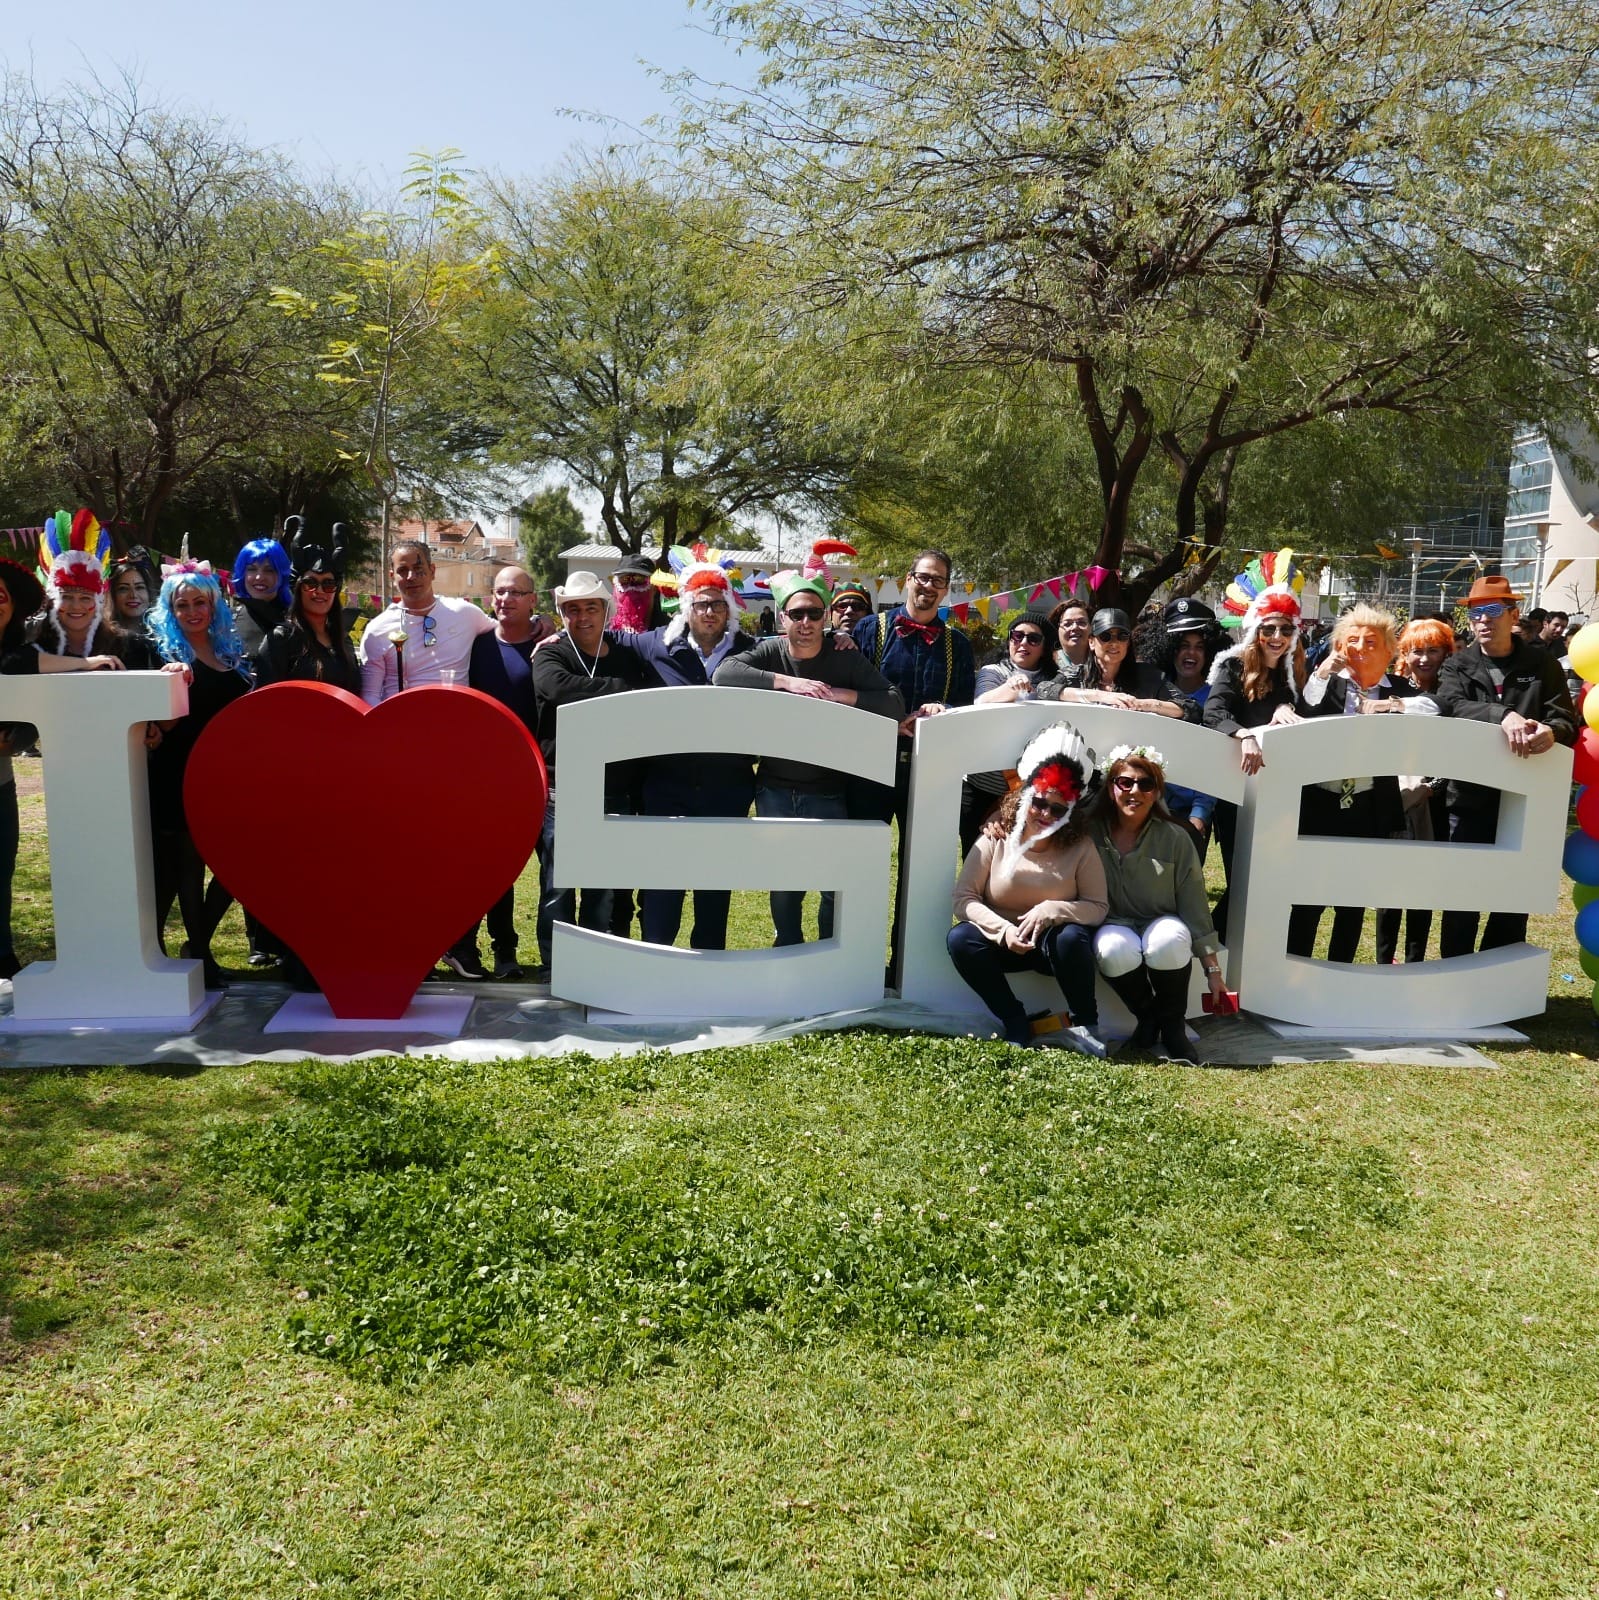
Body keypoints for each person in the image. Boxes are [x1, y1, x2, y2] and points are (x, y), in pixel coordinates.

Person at [716, 570, 905, 946]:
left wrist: (838, 694)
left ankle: (827, 952)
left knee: (834, 882)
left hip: (829, 788)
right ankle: (787, 948)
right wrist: (788, 683)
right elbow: (724, 674)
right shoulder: (771, 652)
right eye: (797, 614)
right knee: (785, 881)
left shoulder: (843, 656)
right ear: (782, 617)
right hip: (774, 788)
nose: (806, 622)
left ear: (826, 617)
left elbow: (894, 704)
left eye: (814, 613)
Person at [1436, 574, 1576, 956]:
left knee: (1514, 896)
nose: (1482, 620)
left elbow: (1565, 717)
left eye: (1492, 610)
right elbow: (1449, 706)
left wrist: (1552, 731)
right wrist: (1502, 715)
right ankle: (1454, 971)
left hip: (1525, 798)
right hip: (1469, 798)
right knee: (1462, 895)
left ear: (1513, 616)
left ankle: (1501, 973)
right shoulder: (1457, 665)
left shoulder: (1541, 663)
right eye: (1475, 613)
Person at [948, 722, 1108, 1053]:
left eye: (1058, 809)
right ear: (1024, 799)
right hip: (1002, 942)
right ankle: (1015, 1020)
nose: (1045, 813)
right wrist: (1003, 930)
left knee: (1071, 936)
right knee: (961, 938)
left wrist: (1053, 910)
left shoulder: (1081, 846)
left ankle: (1087, 1025)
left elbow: (1097, 907)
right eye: (1038, 803)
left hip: (1053, 947)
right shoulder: (996, 837)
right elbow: (964, 899)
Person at [1290, 603, 1436, 963]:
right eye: (1352, 640)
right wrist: (1322, 672)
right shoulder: (1328, 683)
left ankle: (1341, 971)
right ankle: (1295, 969)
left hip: (1370, 804)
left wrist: (1392, 706)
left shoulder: (1398, 688)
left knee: (1352, 902)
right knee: (1307, 897)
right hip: (1321, 803)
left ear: (1389, 651)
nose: (1360, 648)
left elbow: (1436, 707)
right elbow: (1305, 709)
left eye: (1371, 642)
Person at [851, 548, 974, 975]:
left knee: (920, 871)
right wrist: (891, 720)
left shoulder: (958, 645)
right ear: (908, 579)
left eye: (938, 580)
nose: (928, 586)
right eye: (923, 577)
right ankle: (858, 961)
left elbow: (965, 706)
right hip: (871, 767)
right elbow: (852, 692)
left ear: (946, 588)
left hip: (929, 772)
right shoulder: (871, 629)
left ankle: (905, 965)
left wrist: (944, 710)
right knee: (862, 862)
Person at [629, 561, 758, 952]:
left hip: (727, 788)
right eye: (701, 604)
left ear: (729, 607)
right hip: (667, 786)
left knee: (714, 886)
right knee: (662, 884)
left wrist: (842, 638)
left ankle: (708, 965)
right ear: (687, 607)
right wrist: (551, 633)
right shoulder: (657, 644)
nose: (709, 612)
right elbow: (608, 640)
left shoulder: (751, 650)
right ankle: (657, 958)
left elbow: (796, 653)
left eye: (717, 604)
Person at [437, 565, 558, 982]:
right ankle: (499, 950)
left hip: (541, 775)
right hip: (487, 776)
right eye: (501, 592)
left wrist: (548, 626)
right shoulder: (476, 644)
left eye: (517, 592)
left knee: (552, 871)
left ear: (533, 600)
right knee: (494, 868)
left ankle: (554, 956)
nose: (507, 599)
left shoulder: (549, 646)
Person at [531, 572, 647, 966]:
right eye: (573, 609)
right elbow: (558, 689)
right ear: (562, 614)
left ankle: (594, 965)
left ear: (606, 611)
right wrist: (624, 692)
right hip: (563, 788)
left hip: (614, 786)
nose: (582, 617)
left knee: (603, 888)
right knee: (558, 886)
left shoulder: (627, 655)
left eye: (591, 608)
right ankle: (556, 967)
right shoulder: (550, 654)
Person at [146, 563, 253, 988]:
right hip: (179, 771)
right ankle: (202, 957)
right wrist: (171, 681)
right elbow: (162, 724)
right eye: (182, 605)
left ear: (214, 604)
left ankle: (197, 944)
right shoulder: (164, 654)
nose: (192, 612)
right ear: (170, 610)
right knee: (189, 868)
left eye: (200, 602)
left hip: (227, 773)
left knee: (236, 868)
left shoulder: (229, 650)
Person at [1088, 743, 1228, 1063]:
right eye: (1125, 782)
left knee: (1168, 940)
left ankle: (1174, 1026)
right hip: (1114, 923)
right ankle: (1148, 1017)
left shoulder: (1175, 837)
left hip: (1161, 921)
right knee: (1111, 948)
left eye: (1145, 784)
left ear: (1157, 791)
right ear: (1111, 788)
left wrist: (1213, 971)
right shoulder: (1090, 833)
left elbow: (1194, 903)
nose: (1135, 791)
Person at [1202, 581, 1307, 941]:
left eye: (1286, 630)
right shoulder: (1233, 666)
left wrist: (1285, 706)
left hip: (1277, 793)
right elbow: (1213, 712)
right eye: (1270, 629)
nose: (1278, 637)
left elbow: (1303, 712)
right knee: (1242, 880)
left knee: (1266, 879)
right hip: (1238, 792)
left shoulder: (1291, 671)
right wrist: (1245, 735)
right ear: (1256, 631)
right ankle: (1211, 942)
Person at [1375, 616, 1457, 965]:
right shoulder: (1390, 687)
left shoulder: (1453, 690)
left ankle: (1415, 962)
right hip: (1392, 798)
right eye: (1416, 651)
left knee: (1422, 887)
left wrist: (1433, 787)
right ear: (1404, 654)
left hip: (1435, 802)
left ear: (1446, 653)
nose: (1424, 659)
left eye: (1433, 651)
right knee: (1389, 887)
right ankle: (1383, 963)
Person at [961, 610, 1055, 855]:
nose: (1023, 643)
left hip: (1030, 789)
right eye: (1017, 636)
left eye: (1033, 639)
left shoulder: (1054, 680)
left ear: (1044, 647)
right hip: (981, 786)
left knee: (1020, 859)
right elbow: (982, 702)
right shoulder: (993, 671)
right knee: (976, 855)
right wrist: (1010, 689)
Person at [358, 539, 495, 702]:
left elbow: (508, 633)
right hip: (400, 717)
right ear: (392, 576)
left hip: (454, 716)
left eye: (418, 569)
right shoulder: (377, 629)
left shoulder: (465, 614)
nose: (411, 577)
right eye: (403, 571)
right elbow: (370, 695)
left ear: (432, 571)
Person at [0, 560, 47, 979]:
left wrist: (16, 740)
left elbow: (32, 719)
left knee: (2, 869)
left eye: (1, 596)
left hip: (1, 784)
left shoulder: (20, 655)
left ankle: (1, 952)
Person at [1151, 597, 1223, 859]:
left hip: (1192, 815)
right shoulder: (1153, 690)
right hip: (1149, 809)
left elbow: (1215, 761)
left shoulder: (1217, 699)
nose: (1190, 653)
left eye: (1199, 647)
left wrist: (1200, 814)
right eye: (1183, 646)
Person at [254, 523, 360, 692]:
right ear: (297, 587)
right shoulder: (281, 639)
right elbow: (264, 699)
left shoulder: (343, 640)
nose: (319, 591)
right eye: (310, 583)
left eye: (328, 584)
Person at [1039, 607, 1188, 717]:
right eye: (1105, 636)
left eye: (1122, 636)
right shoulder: (1076, 675)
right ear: (1091, 642)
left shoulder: (1147, 676)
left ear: (1128, 643)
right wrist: (1100, 696)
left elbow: (1189, 708)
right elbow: (1044, 689)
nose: (1114, 643)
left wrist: (1144, 704)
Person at [230, 535, 292, 661]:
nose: (259, 577)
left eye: (269, 570)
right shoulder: (227, 620)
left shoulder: (298, 620)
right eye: (251, 569)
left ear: (282, 574)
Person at [1044, 598, 1094, 690]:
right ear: (1057, 629)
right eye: (1067, 624)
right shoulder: (1046, 663)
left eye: (1081, 622)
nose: (1075, 627)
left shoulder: (1102, 663)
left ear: (1091, 627)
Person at [104, 554, 155, 632]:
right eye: (123, 588)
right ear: (112, 595)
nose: (133, 595)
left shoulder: (164, 635)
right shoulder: (98, 634)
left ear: (149, 592)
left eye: (139, 587)